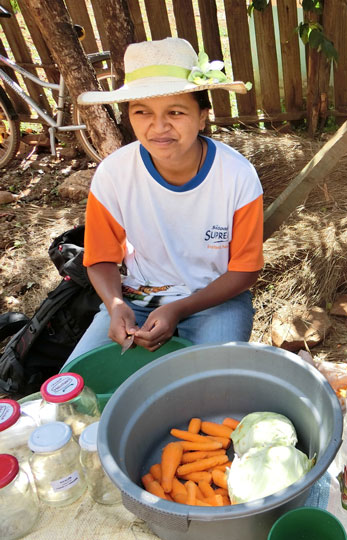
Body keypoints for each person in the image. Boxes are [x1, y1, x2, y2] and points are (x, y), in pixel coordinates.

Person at [64, 38, 263, 363]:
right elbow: (99, 258)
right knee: (77, 389)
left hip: (215, 300)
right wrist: (115, 305)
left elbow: (245, 270)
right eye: (142, 112)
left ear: (202, 117)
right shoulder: (114, 174)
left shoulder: (237, 177)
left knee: (214, 390)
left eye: (176, 111)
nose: (159, 127)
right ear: (129, 116)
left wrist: (179, 308)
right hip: (137, 302)